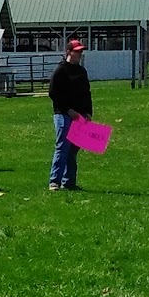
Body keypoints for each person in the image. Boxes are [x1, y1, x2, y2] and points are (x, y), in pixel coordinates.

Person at [47, 40, 92, 191]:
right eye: (77, 51)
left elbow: (86, 94)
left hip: (79, 116)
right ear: (69, 52)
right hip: (63, 115)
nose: (79, 54)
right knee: (62, 147)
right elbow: (54, 93)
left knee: (74, 149)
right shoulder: (60, 70)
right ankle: (54, 181)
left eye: (81, 52)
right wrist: (68, 110)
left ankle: (69, 181)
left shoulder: (81, 71)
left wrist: (88, 113)